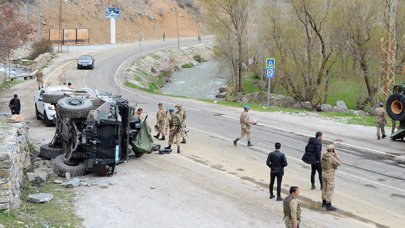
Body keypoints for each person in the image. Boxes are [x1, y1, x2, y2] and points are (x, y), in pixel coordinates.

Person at [321, 144, 341, 211]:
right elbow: (339, 163)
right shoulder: (332, 158)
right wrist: (336, 154)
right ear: (333, 150)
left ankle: (323, 203)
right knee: (329, 189)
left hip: (323, 173)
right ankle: (328, 205)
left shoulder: (324, 155)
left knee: (324, 188)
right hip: (330, 175)